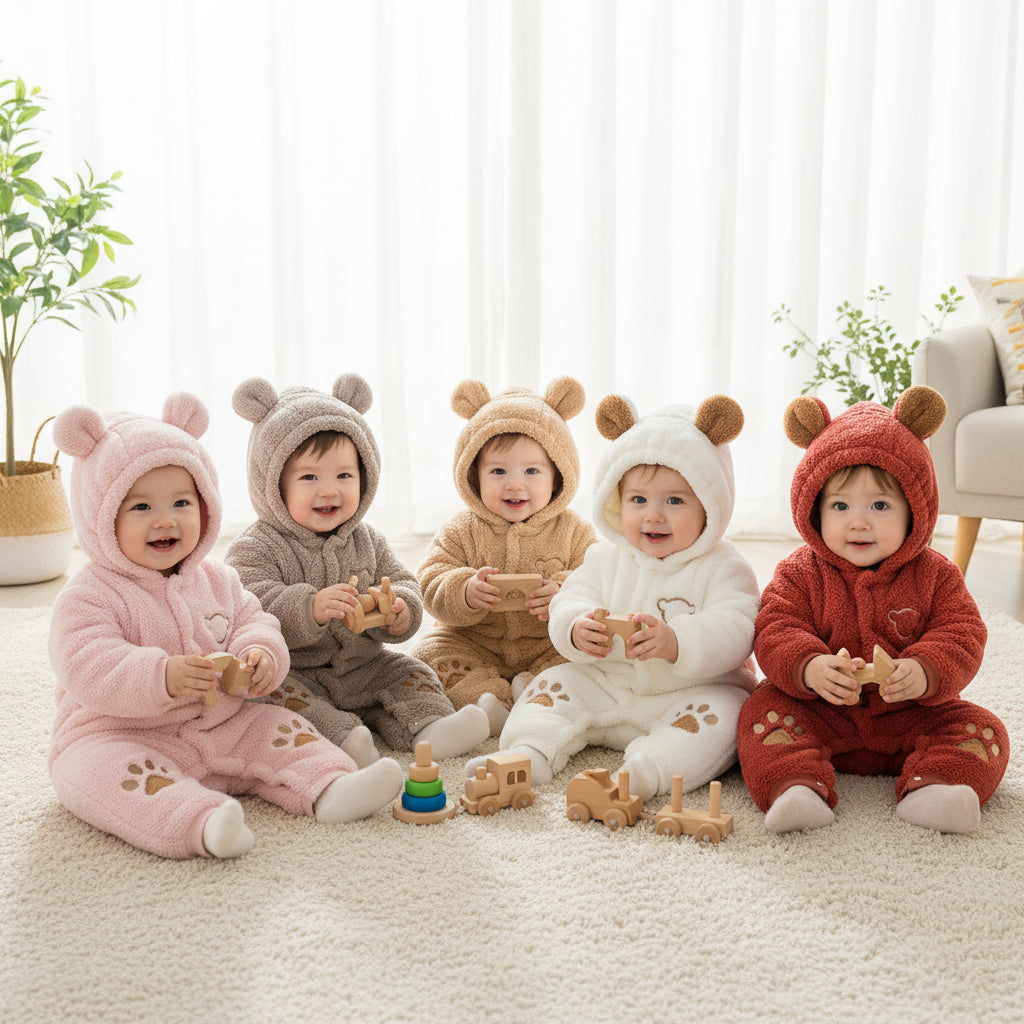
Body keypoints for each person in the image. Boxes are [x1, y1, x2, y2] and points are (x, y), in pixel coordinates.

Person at [48, 394, 404, 860]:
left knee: (281, 727)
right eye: (140, 508)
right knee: (97, 775)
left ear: (206, 506)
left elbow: (253, 620)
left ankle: (331, 785)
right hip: (117, 733)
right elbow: (85, 662)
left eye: (181, 502)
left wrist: (261, 655)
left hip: (221, 722)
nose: (165, 519)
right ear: (100, 513)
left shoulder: (216, 578)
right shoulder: (88, 594)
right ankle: (202, 822)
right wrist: (161, 675)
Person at [737, 386, 1009, 834]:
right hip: (823, 711)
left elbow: (962, 632)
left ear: (914, 512)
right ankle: (797, 786)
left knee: (984, 730)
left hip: (911, 713)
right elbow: (774, 628)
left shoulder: (936, 574)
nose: (858, 522)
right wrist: (810, 668)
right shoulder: (799, 571)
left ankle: (934, 788)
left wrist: (924, 671)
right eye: (840, 506)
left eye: (879, 506)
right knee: (760, 714)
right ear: (814, 511)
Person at [466, 393, 760, 798]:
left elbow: (737, 628)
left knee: (725, 717)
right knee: (552, 683)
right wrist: (576, 628)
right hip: (607, 683)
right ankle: (529, 751)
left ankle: (650, 770)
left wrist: (677, 642)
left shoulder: (724, 567)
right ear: (617, 501)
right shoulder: (606, 556)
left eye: (674, 500)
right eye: (638, 500)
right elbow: (573, 596)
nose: (653, 514)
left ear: (710, 505)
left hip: (688, 693)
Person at [226, 374, 488, 763]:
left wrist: (399, 610)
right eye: (309, 477)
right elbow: (247, 603)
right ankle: (341, 738)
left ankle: (430, 727)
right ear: (273, 484)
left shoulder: (368, 539)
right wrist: (309, 607)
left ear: (365, 478)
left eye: (344, 476)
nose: (329, 490)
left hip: (365, 664)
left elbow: (402, 580)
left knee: (411, 673)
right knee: (271, 700)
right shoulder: (255, 547)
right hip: (297, 671)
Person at [412, 378, 597, 735]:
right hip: (472, 641)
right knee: (426, 659)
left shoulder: (576, 531)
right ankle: (489, 701)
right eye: (498, 471)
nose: (514, 484)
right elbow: (429, 580)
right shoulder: (460, 528)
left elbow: (599, 582)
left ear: (558, 477)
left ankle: (537, 689)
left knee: (592, 663)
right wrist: (464, 590)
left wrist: (563, 595)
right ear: (474, 475)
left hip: (548, 643)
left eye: (532, 471)